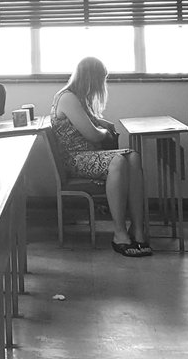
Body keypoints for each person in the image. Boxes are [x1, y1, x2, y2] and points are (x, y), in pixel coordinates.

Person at [50, 57, 151, 257]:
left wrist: (103, 124)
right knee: (119, 160)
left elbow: (93, 121)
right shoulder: (67, 98)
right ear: (91, 78)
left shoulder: (79, 98)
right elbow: (93, 134)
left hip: (89, 155)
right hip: (75, 159)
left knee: (134, 157)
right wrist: (105, 132)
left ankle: (138, 230)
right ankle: (120, 233)